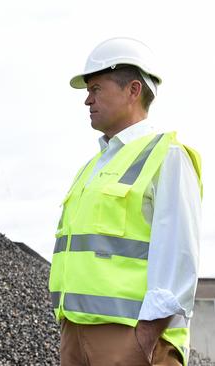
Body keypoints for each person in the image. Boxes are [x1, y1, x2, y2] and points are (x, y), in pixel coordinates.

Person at [49, 37, 202, 366]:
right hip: (75, 335)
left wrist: (143, 339)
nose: (87, 100)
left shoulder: (168, 156)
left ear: (133, 90)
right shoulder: (92, 168)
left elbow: (179, 256)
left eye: (96, 89)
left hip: (132, 338)